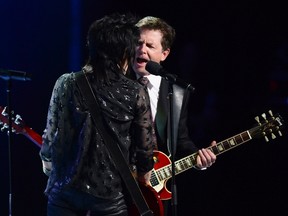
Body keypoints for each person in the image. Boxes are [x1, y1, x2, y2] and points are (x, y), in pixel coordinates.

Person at [39, 13, 156, 216]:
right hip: (109, 196)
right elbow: (145, 148)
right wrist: (144, 173)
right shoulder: (135, 92)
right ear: (124, 51)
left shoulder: (66, 82)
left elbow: (51, 134)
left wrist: (48, 161)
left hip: (65, 191)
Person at [130, 16, 217, 215]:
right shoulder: (116, 86)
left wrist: (200, 158)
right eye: (138, 43)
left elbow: (180, 141)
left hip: (157, 192)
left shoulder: (177, 92)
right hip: (120, 191)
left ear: (164, 54)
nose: (141, 49)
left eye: (150, 45)